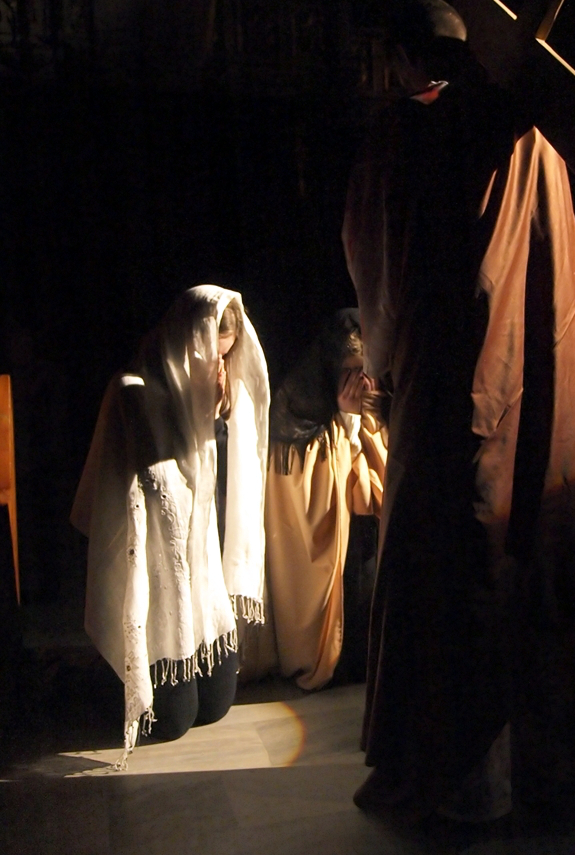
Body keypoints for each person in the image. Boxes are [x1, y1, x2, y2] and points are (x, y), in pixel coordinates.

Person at [342, 0, 575, 824]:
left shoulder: (405, 131)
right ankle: (555, 776)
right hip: (542, 390)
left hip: (450, 390)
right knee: (537, 557)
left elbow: (375, 258)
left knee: (446, 564)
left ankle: (453, 785)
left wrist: (380, 366)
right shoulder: (537, 137)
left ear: (405, 58)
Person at [71, 285, 270, 765]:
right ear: (186, 348)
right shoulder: (134, 391)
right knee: (173, 722)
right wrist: (203, 421)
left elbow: (221, 501)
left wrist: (216, 420)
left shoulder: (213, 406)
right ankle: (88, 679)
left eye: (226, 358)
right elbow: (155, 492)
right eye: (211, 357)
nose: (220, 370)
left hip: (200, 586)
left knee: (216, 706)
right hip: (154, 584)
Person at [265, 309, 387, 690]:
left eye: (365, 370)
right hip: (328, 542)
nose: (360, 382)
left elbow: (376, 489)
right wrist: (346, 425)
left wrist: (359, 422)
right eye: (350, 371)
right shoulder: (299, 407)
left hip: (365, 542)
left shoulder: (374, 399)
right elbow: (303, 497)